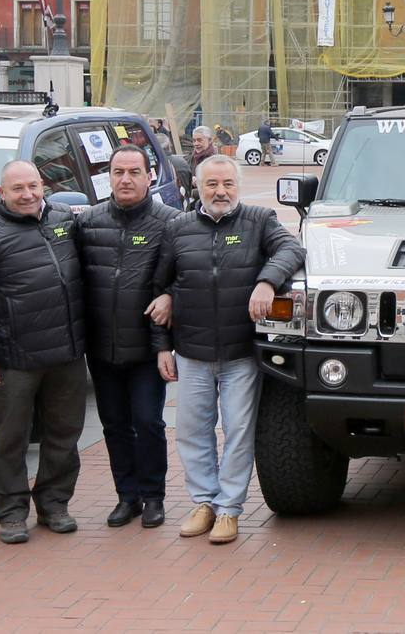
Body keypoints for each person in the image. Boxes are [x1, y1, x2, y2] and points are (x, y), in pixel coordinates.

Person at [152, 155, 304, 545]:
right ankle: (203, 502)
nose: (220, 192)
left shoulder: (259, 220)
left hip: (241, 354)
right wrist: (163, 347)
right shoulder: (178, 228)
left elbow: (292, 250)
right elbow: (160, 288)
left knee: (237, 431)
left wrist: (267, 282)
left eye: (228, 184)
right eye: (211, 184)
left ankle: (229, 509)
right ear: (198, 188)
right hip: (191, 351)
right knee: (191, 431)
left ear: (237, 185)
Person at [0, 160, 90, 545]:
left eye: (33, 185)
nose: (28, 194)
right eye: (18, 189)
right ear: (2, 193)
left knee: (64, 435)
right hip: (13, 359)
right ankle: (11, 512)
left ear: (43, 185)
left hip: (66, 352)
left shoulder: (63, 220)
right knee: (10, 439)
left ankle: (54, 504)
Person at [76, 146, 180, 529]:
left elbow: (184, 274)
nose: (125, 179)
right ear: (109, 176)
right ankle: (127, 496)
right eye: (118, 171)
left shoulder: (171, 222)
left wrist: (171, 296)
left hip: (147, 348)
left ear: (149, 176)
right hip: (102, 348)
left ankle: (154, 496)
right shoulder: (88, 223)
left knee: (148, 422)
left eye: (134, 172)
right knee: (114, 425)